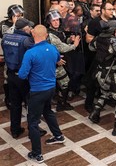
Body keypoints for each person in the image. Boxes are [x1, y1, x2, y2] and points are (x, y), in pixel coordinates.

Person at [18, 25, 65, 164]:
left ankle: (37, 153)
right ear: (46, 35)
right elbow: (57, 60)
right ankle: (58, 136)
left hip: (37, 91)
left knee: (33, 122)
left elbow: (22, 74)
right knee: (48, 111)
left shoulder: (30, 53)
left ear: (33, 35)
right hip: (51, 88)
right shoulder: (52, 48)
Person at [88, 20, 116, 136]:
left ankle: (95, 113)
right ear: (115, 30)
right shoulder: (113, 41)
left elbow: (91, 47)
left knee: (105, 93)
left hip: (99, 72)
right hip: (110, 74)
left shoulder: (98, 38)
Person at [1, 18, 34, 138]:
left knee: (15, 104)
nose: (31, 29)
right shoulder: (26, 40)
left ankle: (15, 130)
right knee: (30, 104)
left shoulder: (6, 37)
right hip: (23, 76)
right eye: (29, 27)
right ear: (24, 29)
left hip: (10, 74)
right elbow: (33, 56)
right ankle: (33, 131)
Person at [46, 10, 80, 111]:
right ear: (49, 22)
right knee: (65, 82)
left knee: (62, 82)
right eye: (54, 20)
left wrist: (70, 40)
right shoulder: (50, 35)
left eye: (57, 20)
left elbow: (62, 41)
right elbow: (62, 47)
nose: (56, 22)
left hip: (60, 60)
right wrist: (74, 45)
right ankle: (61, 103)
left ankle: (60, 100)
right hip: (54, 62)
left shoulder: (59, 31)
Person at [0, 4, 25, 109]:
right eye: (18, 15)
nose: (20, 17)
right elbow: (7, 36)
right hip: (10, 54)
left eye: (21, 15)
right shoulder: (4, 24)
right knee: (7, 77)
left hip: (21, 53)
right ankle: (8, 98)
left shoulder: (23, 23)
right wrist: (15, 25)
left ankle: (21, 96)